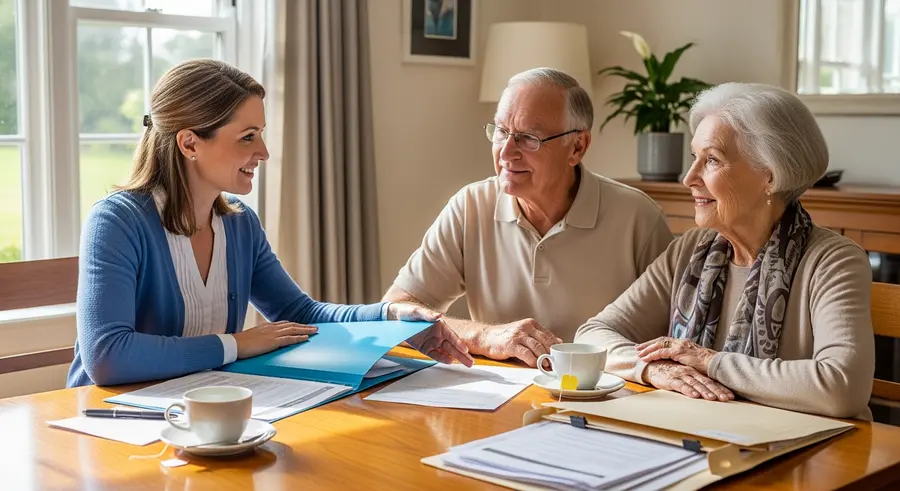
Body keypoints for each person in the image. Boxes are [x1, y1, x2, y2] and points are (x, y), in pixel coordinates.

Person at [67, 59, 472, 388]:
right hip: (111, 424)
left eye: (260, 133)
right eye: (247, 136)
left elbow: (300, 312)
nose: (263, 151)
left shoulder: (240, 225)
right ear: (189, 143)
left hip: (201, 413)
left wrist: (391, 317)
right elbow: (107, 356)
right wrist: (237, 345)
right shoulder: (117, 222)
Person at [575, 82, 875, 419]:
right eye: (694, 158)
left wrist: (710, 362)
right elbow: (592, 335)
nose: (689, 178)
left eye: (712, 160)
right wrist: (652, 370)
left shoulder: (833, 261)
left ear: (770, 176)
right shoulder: (690, 250)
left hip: (809, 456)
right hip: (704, 439)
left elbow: (842, 387)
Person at [382, 68, 674, 368]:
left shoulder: (639, 218)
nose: (506, 152)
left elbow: (675, 340)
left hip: (606, 398)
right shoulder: (470, 206)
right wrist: (485, 336)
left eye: (528, 138)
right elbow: (394, 312)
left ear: (577, 147)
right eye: (501, 131)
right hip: (498, 398)